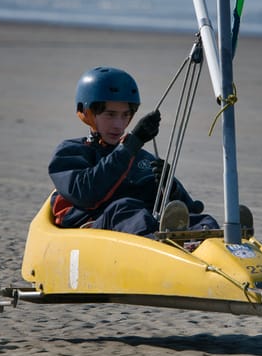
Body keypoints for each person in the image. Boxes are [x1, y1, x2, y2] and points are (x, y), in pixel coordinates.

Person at [48, 66, 219, 237]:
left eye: (125, 115)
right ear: (88, 113)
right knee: (125, 207)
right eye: (110, 114)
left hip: (141, 225)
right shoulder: (70, 152)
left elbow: (186, 210)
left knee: (204, 221)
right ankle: (161, 246)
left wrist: (171, 188)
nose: (118, 124)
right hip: (96, 230)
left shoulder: (141, 157)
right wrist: (131, 145)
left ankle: (225, 246)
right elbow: (86, 194)